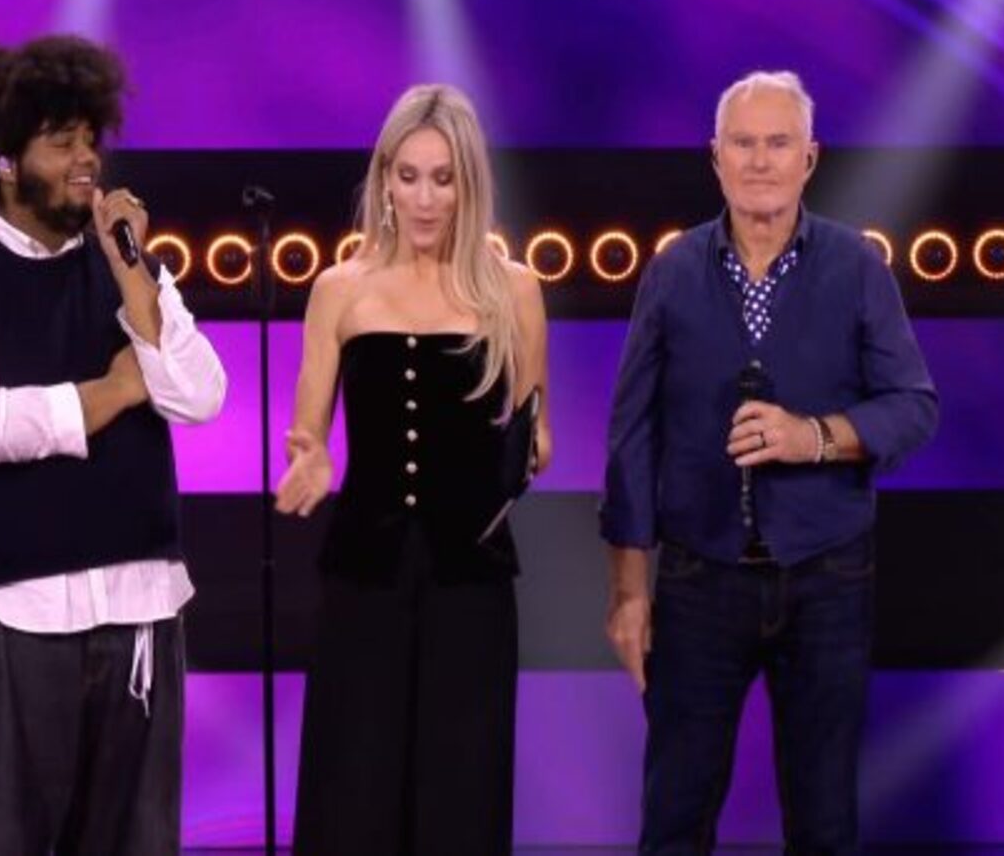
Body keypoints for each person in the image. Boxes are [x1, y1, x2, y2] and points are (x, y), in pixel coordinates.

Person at [0, 34, 226, 855]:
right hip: (0, 609)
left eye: (90, 139)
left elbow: (199, 393)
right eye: (61, 142)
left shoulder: (128, 271)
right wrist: (112, 391)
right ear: (5, 164)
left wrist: (134, 272)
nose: (86, 161)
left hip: (138, 604)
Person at [600, 70, 938, 854]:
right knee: (675, 814)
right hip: (698, 576)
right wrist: (628, 590)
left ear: (809, 158)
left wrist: (813, 436)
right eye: (743, 143)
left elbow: (913, 406)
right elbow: (632, 434)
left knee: (823, 820)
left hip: (828, 575)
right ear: (715, 157)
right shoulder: (673, 272)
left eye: (778, 143)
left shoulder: (856, 266)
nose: (759, 161)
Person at [275, 83, 551, 855]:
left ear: (469, 185)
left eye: (444, 179)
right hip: (366, 572)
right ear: (385, 181)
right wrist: (311, 459)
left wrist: (523, 454)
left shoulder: (513, 290)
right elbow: (307, 431)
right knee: (354, 787)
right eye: (409, 176)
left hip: (471, 577)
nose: (425, 198)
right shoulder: (340, 290)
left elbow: (539, 432)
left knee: (460, 786)